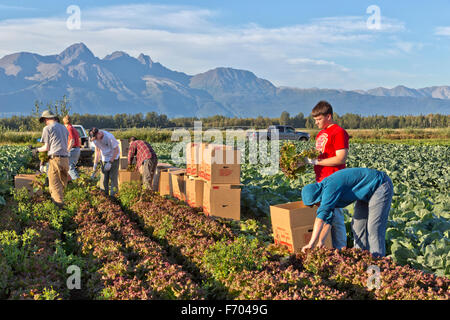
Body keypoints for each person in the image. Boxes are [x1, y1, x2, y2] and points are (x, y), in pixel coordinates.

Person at [300, 168, 394, 258]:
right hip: (364, 192)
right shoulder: (326, 192)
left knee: (374, 228)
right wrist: (321, 241)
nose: (317, 206)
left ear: (317, 196)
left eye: (315, 203)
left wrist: (311, 244)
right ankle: (362, 258)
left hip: (379, 185)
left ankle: (377, 263)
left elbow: (320, 219)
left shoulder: (330, 188)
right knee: (357, 226)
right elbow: (327, 221)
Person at [304, 101, 350, 250]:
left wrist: (317, 161)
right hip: (322, 180)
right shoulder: (321, 134)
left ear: (328, 116)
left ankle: (341, 249)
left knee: (336, 218)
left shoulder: (338, 132)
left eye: (319, 119)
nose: (316, 123)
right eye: (315, 120)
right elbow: (319, 158)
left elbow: (341, 158)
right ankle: (327, 246)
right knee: (328, 216)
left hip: (335, 180)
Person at [37, 110, 69, 207]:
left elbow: (46, 147)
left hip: (56, 160)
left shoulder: (47, 128)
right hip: (65, 159)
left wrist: (36, 150)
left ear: (46, 119)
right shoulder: (64, 128)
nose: (44, 122)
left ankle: (59, 209)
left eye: (44, 120)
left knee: (54, 186)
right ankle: (61, 202)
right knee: (61, 184)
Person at [89, 127, 120, 196]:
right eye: (94, 138)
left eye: (96, 137)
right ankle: (104, 197)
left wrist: (110, 162)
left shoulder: (109, 137)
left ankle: (113, 197)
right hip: (104, 158)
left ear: (99, 133)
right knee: (103, 179)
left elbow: (117, 150)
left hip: (114, 157)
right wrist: (95, 165)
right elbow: (97, 151)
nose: (95, 140)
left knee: (113, 178)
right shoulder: (94, 139)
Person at [63, 115, 81, 181]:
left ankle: (77, 183)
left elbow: (72, 140)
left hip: (72, 149)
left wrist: (67, 150)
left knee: (70, 167)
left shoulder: (69, 128)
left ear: (64, 121)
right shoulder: (73, 128)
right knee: (70, 167)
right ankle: (72, 182)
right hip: (77, 149)